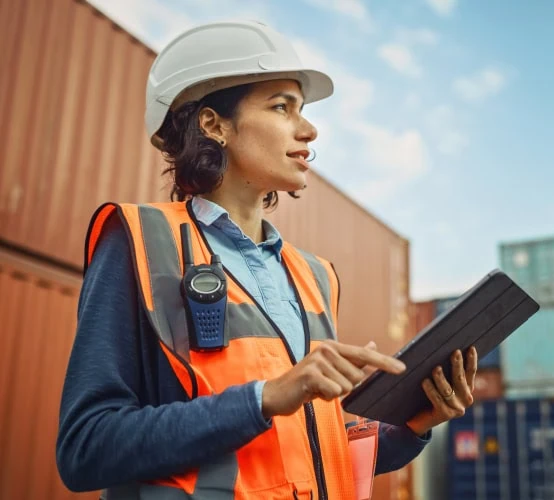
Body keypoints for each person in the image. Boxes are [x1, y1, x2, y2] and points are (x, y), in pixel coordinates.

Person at [56, 20, 478, 499]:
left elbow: (308, 455)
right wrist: (265, 397)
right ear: (215, 124)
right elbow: (85, 449)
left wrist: (413, 426)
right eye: (282, 107)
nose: (310, 128)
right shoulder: (139, 241)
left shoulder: (315, 276)